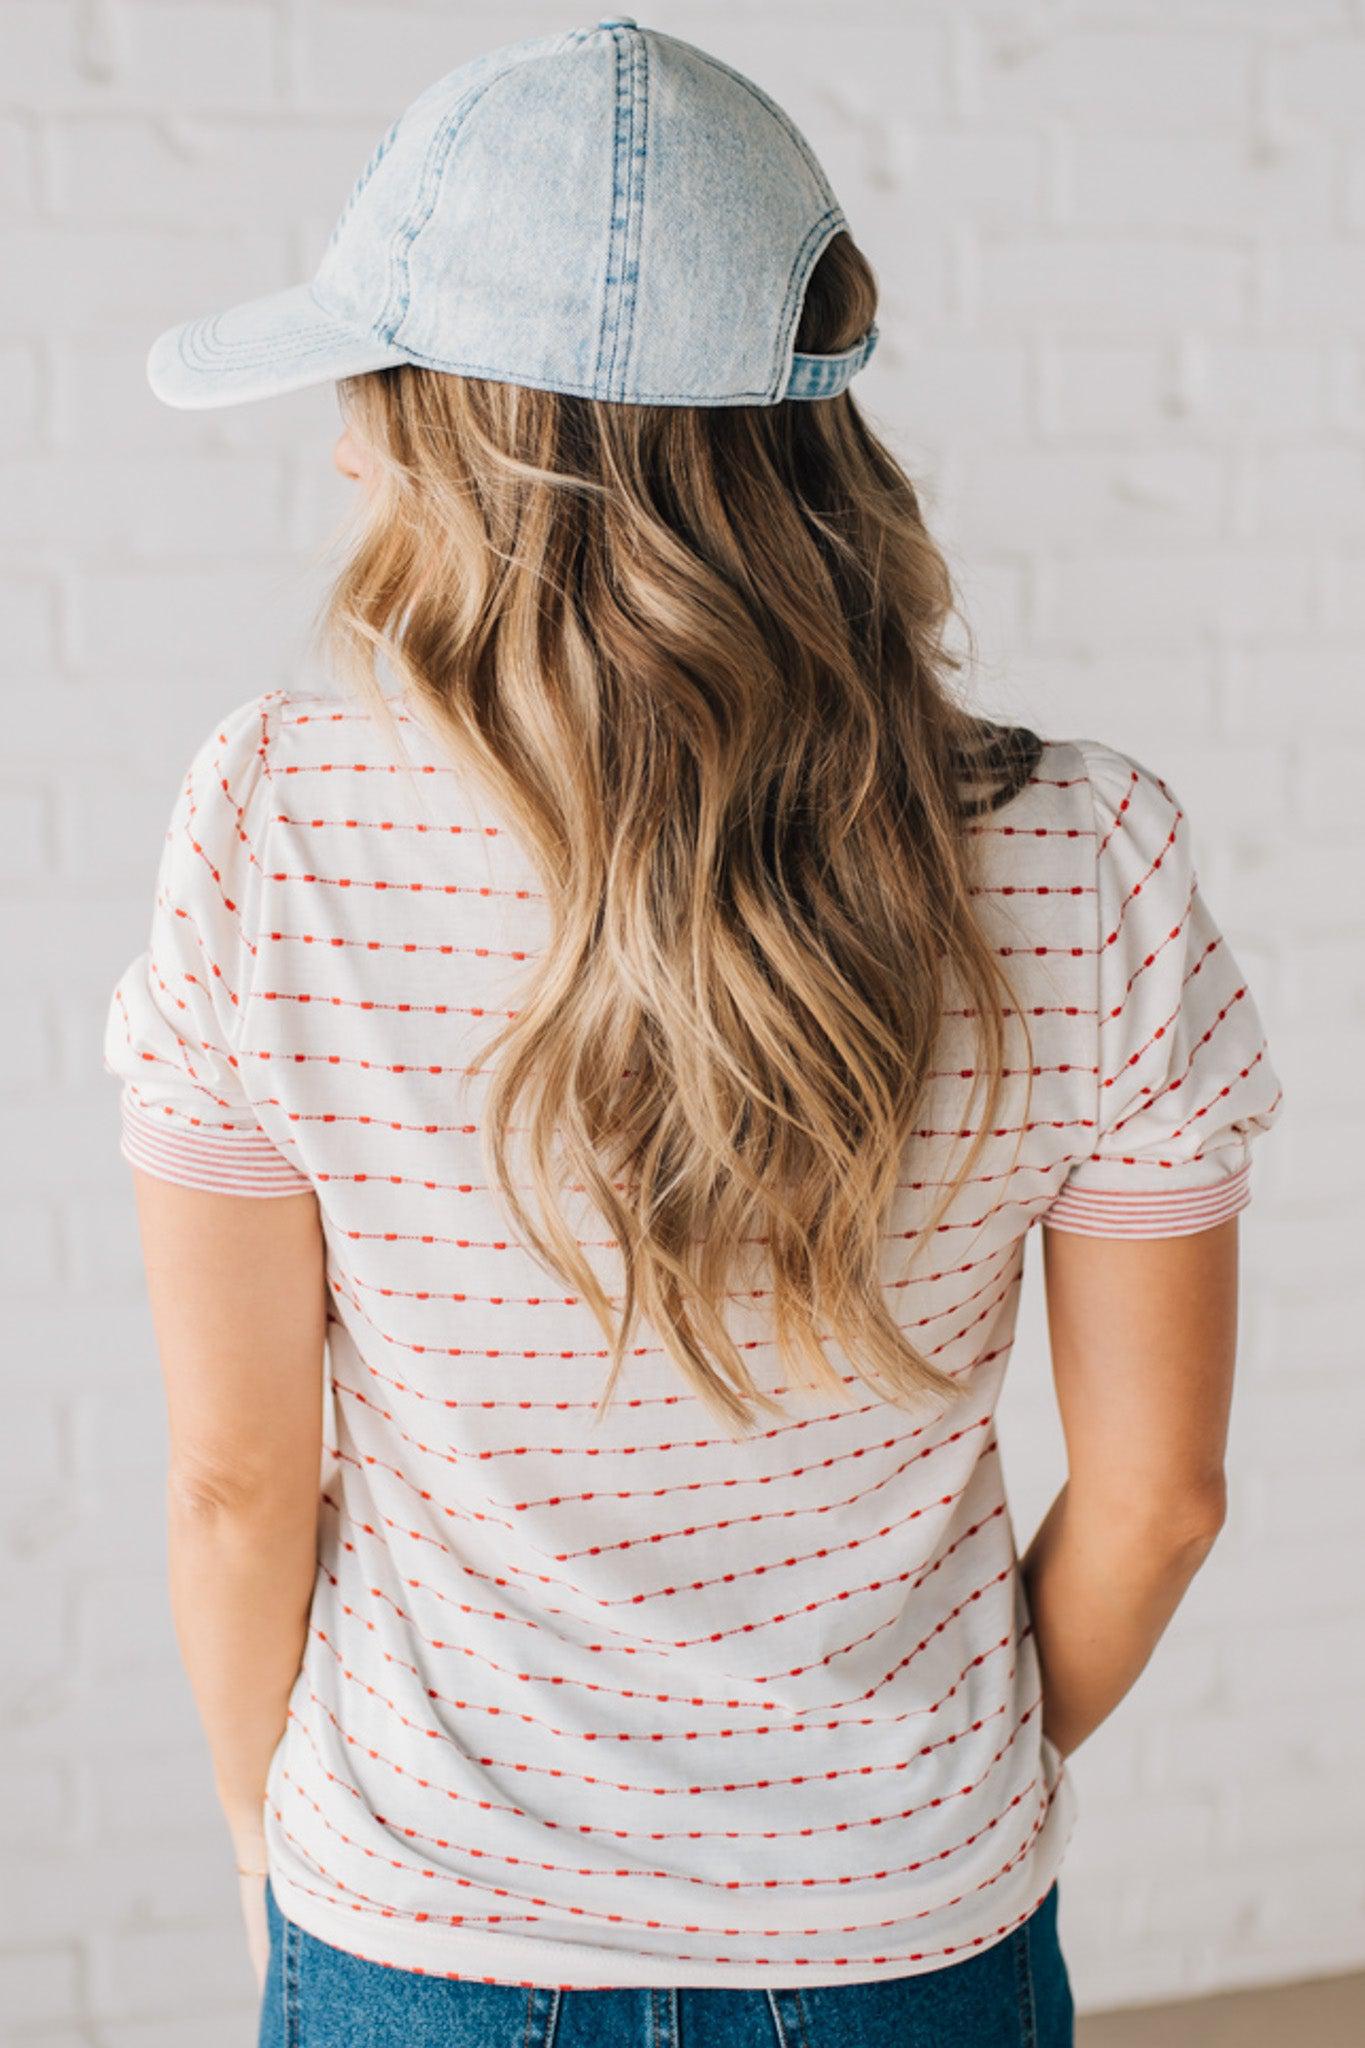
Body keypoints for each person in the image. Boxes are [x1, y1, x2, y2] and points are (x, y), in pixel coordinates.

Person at [102, 18, 1284, 2048]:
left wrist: (255, 1835)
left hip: (425, 1921)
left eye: (371, 389)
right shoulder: (1087, 853)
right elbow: (1158, 1492)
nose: (336, 444)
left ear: (461, 430)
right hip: (907, 1928)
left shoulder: (271, 827)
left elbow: (234, 1479)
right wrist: (935, 1789)